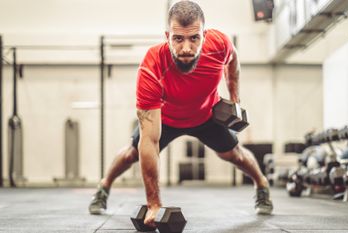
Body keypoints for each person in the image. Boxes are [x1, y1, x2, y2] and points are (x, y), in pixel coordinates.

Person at [89, 0, 273, 227]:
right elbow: (150, 141)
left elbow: (233, 60)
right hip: (165, 119)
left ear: (204, 35)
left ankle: (262, 185)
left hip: (206, 115)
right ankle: (104, 186)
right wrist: (153, 203)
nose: (186, 48)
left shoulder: (219, 45)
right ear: (167, 36)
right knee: (132, 153)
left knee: (234, 154)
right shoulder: (152, 66)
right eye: (178, 39)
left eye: (194, 38)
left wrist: (234, 95)